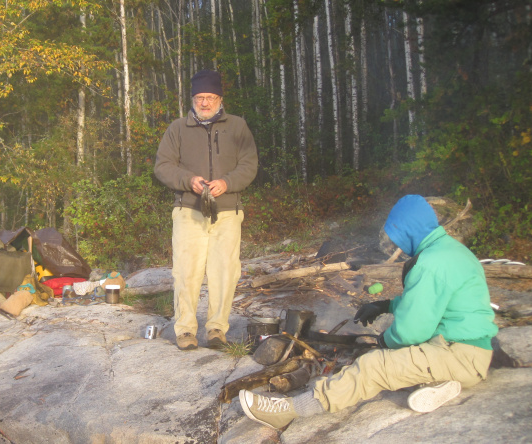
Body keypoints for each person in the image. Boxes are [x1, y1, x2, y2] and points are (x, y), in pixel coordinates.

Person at [239, 194, 498, 429]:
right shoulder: (448, 250)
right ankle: (441, 383)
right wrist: (387, 305)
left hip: (458, 355)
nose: (398, 245)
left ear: (408, 228)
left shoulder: (431, 262)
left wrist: (385, 342)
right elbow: (435, 302)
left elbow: (410, 333)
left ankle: (290, 410)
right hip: (463, 351)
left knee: (373, 366)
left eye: (398, 235)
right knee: (395, 359)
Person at [154, 70, 259, 351]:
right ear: (192, 99)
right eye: (200, 97)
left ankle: (216, 329)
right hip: (189, 210)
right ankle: (186, 330)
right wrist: (188, 180)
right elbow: (163, 166)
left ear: (220, 99)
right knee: (185, 272)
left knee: (225, 271)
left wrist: (227, 182)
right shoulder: (177, 129)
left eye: (210, 97)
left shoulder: (237, 127)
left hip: (227, 211)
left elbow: (249, 165)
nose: (204, 103)